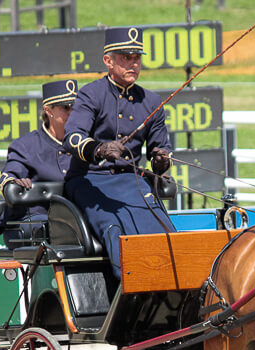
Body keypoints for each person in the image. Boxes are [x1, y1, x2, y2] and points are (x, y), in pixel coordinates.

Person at [62, 26, 175, 280]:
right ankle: (130, 289)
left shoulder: (152, 102)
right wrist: (100, 149)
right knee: (118, 227)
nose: (133, 64)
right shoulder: (91, 94)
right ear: (108, 61)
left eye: (137, 58)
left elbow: (161, 149)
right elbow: (72, 138)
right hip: (90, 179)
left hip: (131, 181)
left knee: (162, 228)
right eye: (126, 58)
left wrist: (161, 160)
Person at [0, 79, 79, 248]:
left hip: (77, 218)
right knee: (54, 229)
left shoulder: (84, 144)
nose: (72, 112)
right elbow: (9, 175)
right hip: (35, 220)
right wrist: (14, 183)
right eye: (65, 107)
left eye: (75, 107)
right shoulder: (27, 146)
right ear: (48, 110)